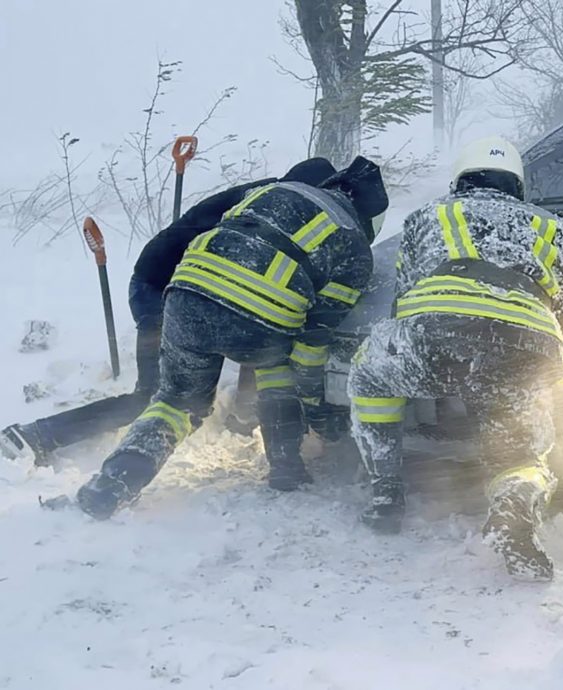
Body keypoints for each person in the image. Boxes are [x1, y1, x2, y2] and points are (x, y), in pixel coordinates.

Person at [74, 155, 388, 519]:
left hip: (185, 296)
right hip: (258, 319)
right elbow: (312, 343)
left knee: (176, 402)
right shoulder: (354, 246)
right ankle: (286, 468)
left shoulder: (271, 191)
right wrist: (317, 409)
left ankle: (114, 483)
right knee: (277, 366)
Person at [348, 136, 563, 581]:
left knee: (370, 374)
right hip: (526, 346)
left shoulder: (429, 216)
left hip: (439, 333)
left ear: (460, 180)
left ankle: (386, 491)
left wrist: (429, 360)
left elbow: (405, 299)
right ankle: (514, 507)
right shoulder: (554, 227)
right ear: (517, 184)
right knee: (523, 453)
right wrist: (561, 386)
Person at [0, 159, 338, 466]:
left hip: (196, 290)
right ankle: (36, 435)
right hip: (162, 291)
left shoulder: (270, 199)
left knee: (257, 328)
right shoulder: (272, 208)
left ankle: (241, 417)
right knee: (154, 397)